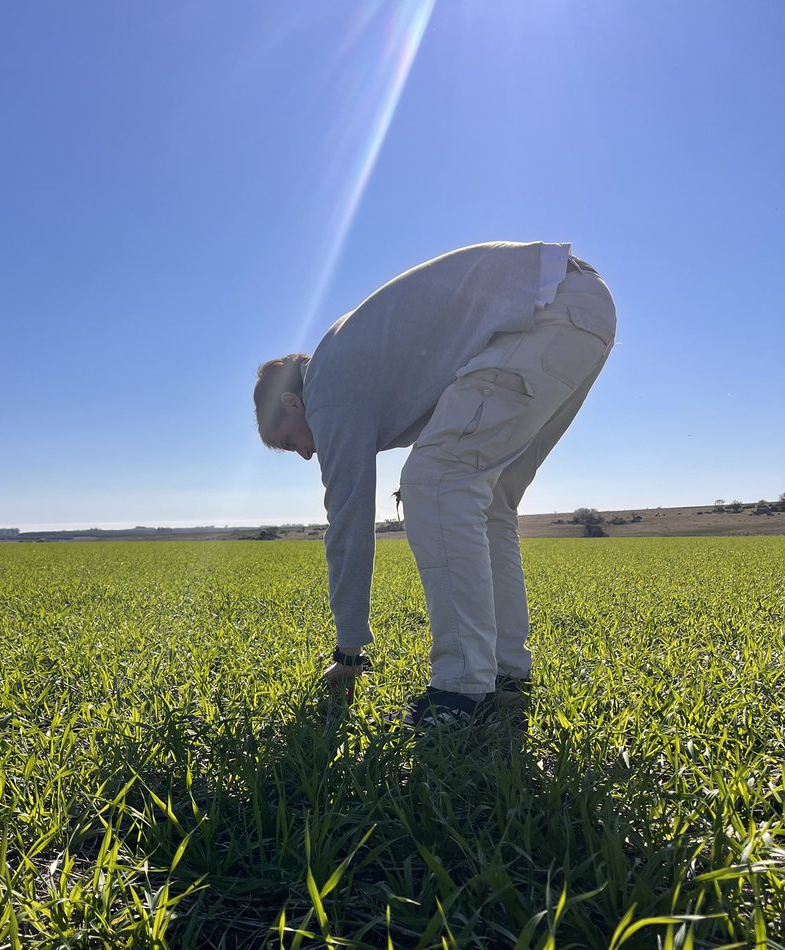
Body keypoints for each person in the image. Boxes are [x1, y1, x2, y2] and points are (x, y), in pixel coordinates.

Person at [253, 241, 616, 728]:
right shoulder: (347, 359)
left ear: (293, 405)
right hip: (579, 308)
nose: (303, 452)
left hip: (543, 312)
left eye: (287, 439)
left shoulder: (325, 391)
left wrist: (349, 650)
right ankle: (507, 675)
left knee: (434, 483)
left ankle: (460, 690)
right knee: (488, 503)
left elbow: (348, 519)